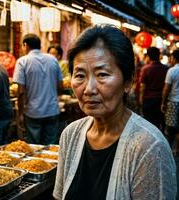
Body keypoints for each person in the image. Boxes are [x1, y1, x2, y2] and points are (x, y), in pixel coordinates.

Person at [53, 25, 176, 200]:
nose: (89, 89)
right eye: (80, 75)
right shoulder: (70, 135)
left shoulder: (150, 147)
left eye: (102, 74)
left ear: (128, 81)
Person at [13, 34, 63, 144]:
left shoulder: (23, 61)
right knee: (50, 147)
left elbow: (21, 92)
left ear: (25, 45)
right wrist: (53, 99)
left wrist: (20, 114)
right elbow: (60, 86)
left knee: (34, 147)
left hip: (33, 112)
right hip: (52, 110)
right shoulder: (53, 60)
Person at [139, 47, 168, 132]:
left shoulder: (145, 69)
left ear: (148, 56)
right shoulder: (165, 68)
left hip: (148, 100)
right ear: (159, 56)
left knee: (149, 124)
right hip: (160, 100)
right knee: (160, 122)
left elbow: (142, 87)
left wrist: (141, 100)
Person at [161, 49, 179, 155]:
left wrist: (163, 102)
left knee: (170, 127)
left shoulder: (172, 70)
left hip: (173, 102)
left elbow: (166, 89)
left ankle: (168, 149)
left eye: (171, 58)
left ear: (175, 58)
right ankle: (176, 149)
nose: (170, 60)